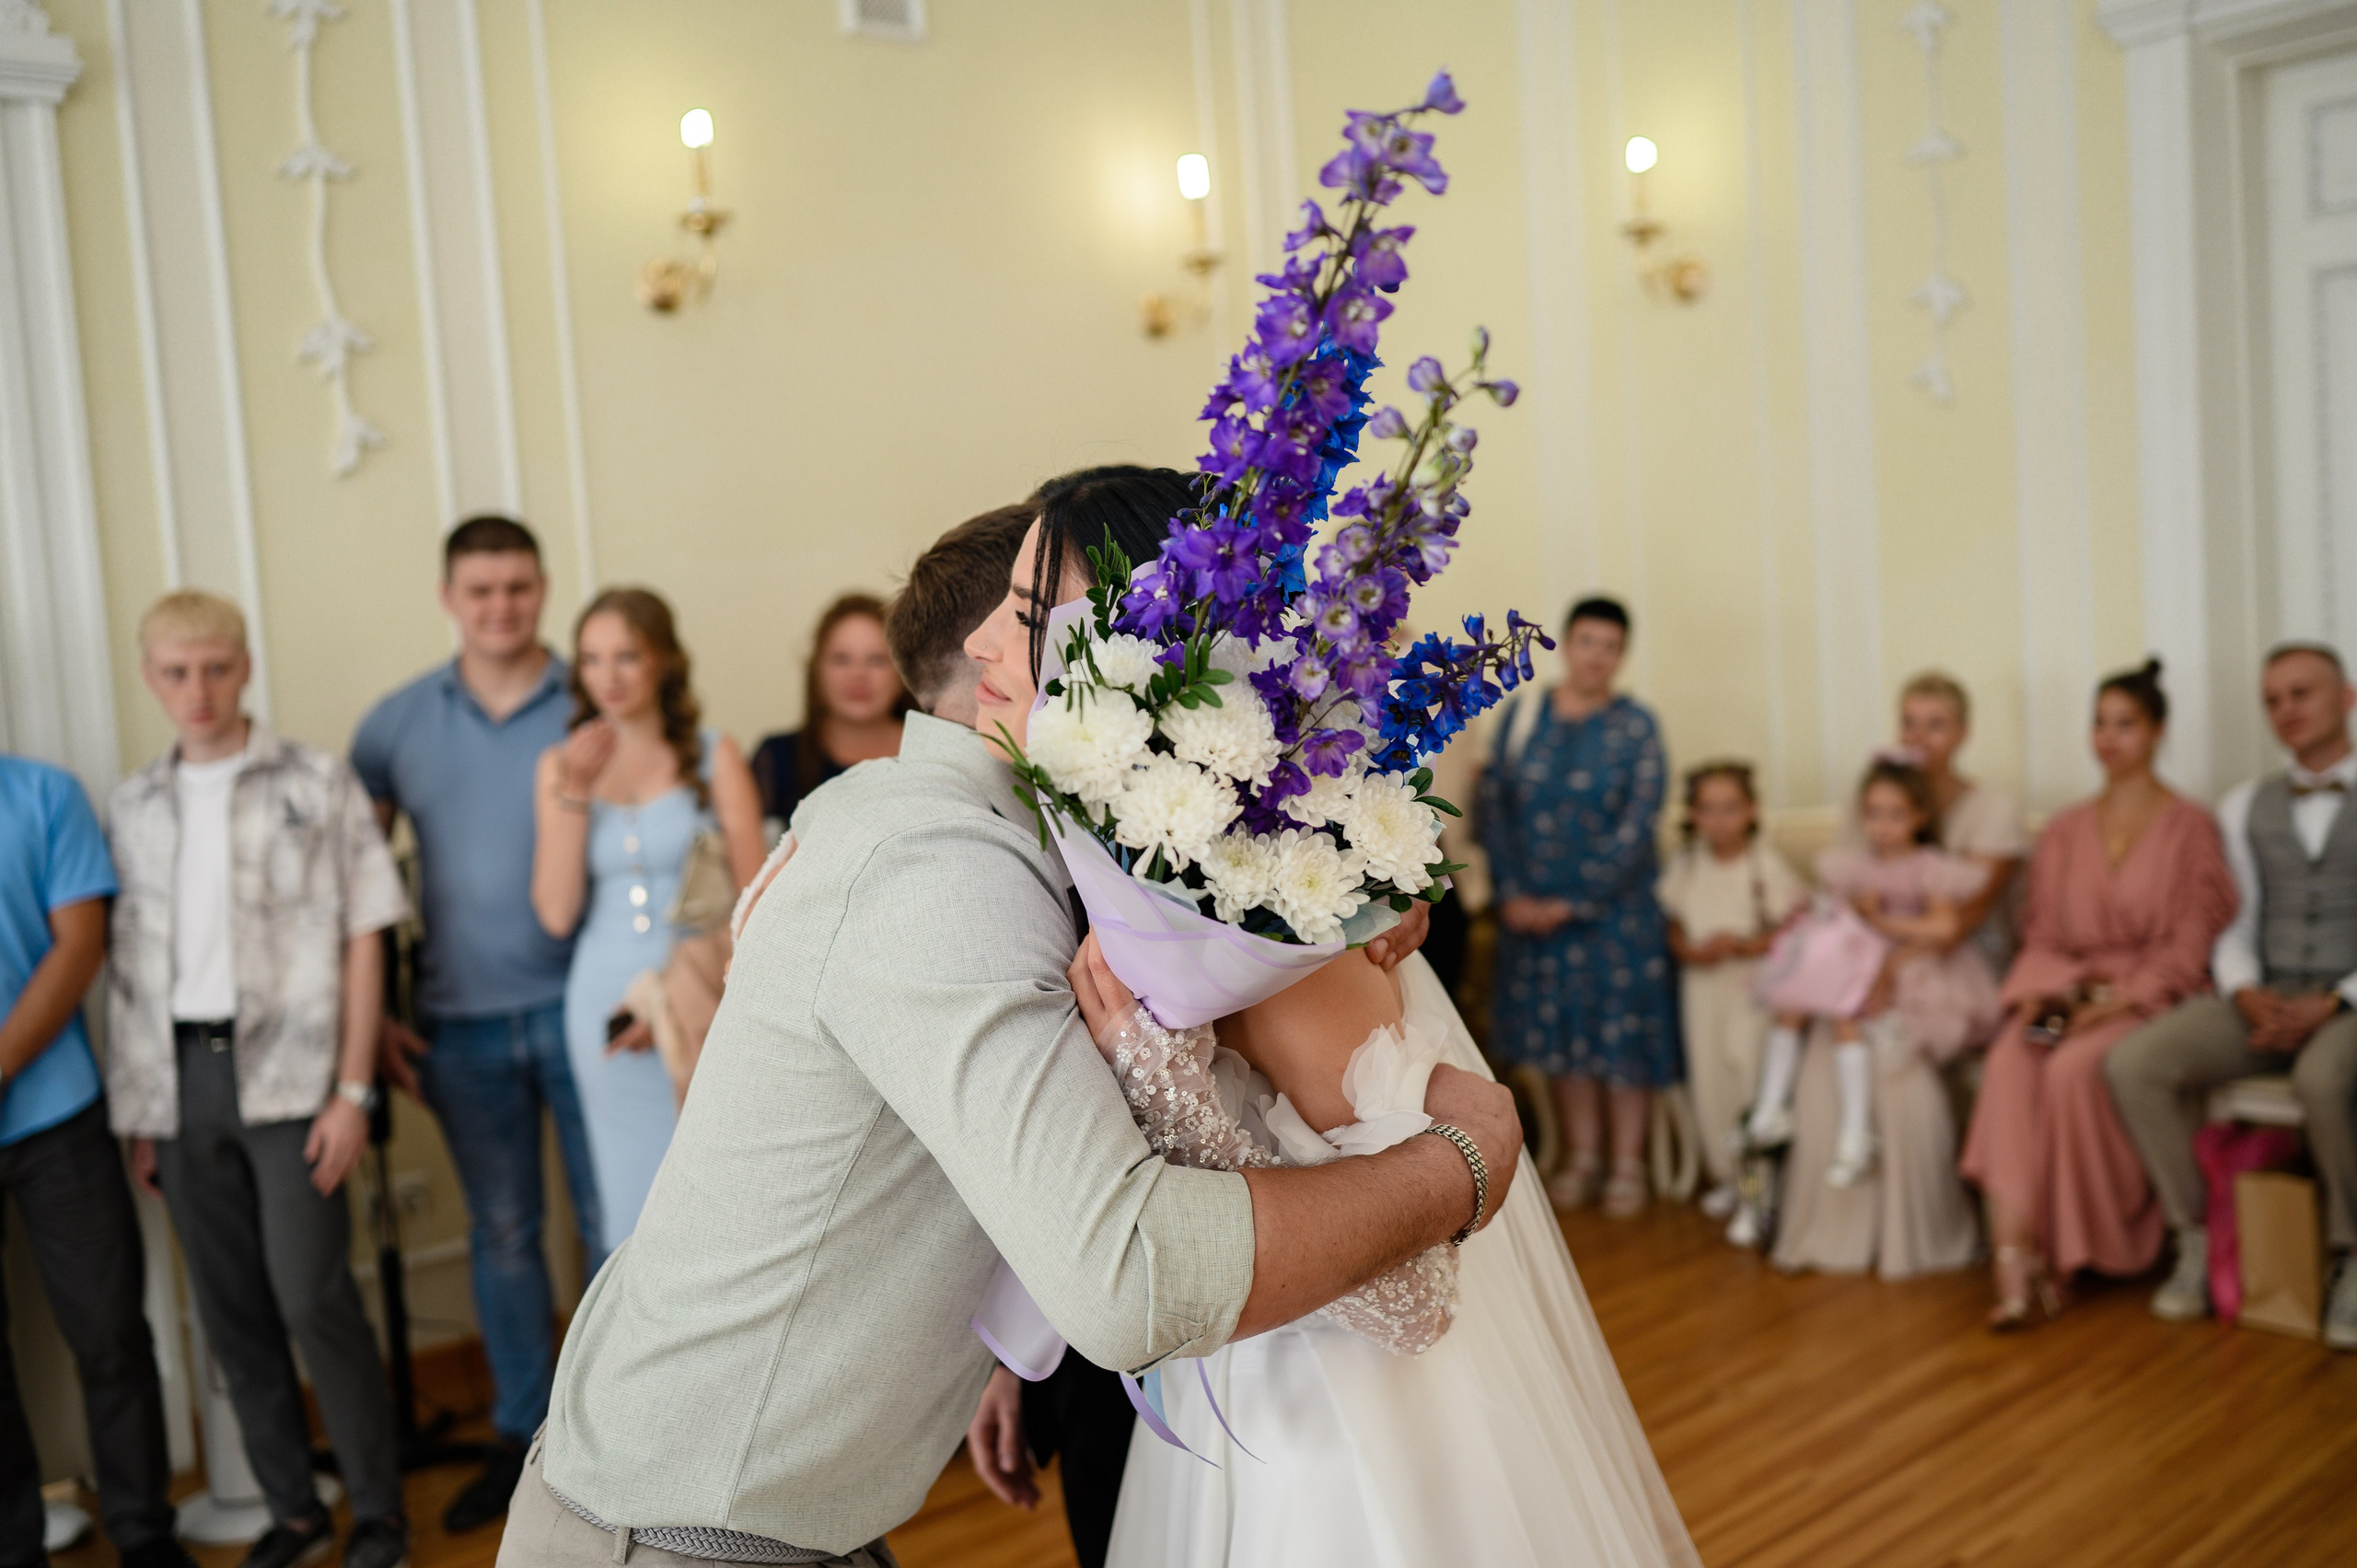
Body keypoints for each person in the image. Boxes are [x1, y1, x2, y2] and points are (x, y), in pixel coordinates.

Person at [496, 466, 1519, 1568]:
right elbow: (1127, 1278)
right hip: (680, 1533)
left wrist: (1332, 884)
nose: (991, 641)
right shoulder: (934, 866)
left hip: (779, 1515)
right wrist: (1464, 1160)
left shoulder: (1028, 851)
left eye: (1036, 613)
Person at [942, 472, 1696, 1566]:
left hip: (1339, 1439)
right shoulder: (1131, 879)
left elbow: (1414, 1301)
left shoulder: (1264, 926)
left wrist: (1170, 1094)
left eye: (1018, 615)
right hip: (1219, 1399)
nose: (978, 642)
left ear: (1138, 653)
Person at [107, 592, 411, 1568]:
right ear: (151, 677)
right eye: (176, 672)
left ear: (244, 666)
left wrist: (354, 1088)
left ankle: (378, 1515)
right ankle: (295, 1510)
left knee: (312, 1293)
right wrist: (145, 1112)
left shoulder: (317, 782)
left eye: (216, 668)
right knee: (231, 1308)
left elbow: (367, 934)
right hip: (178, 1081)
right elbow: (131, 961)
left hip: (294, 1079)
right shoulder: (134, 803)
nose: (198, 691)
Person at [877, 498, 1144, 1568]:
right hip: (1084, 1322)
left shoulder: (1124, 804)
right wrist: (1014, 1360)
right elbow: (1012, 1134)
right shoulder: (962, 859)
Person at [351, 514, 606, 1529]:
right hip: (456, 1023)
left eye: (517, 587)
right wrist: (369, 1020)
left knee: (611, 1223)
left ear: (541, 588)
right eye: (480, 590)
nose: (500, 606)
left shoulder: (593, 699)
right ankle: (518, 1437)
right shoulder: (393, 724)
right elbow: (356, 898)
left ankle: (612, 1431)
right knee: (502, 1233)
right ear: (450, 598)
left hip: (585, 1009)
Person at [1959, 660, 2235, 1328]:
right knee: (2013, 1059)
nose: (2109, 738)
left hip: (2146, 1001)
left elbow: (2190, 941)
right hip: (2065, 996)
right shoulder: (2064, 829)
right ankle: (2015, 1257)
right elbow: (2043, 931)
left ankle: (2073, 1253)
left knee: (2073, 1069)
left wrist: (2119, 1000)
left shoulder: (2190, 827)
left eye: (2126, 724)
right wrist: (2045, 997)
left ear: (2157, 731)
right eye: (2099, 723)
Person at [2107, 642, 2357, 1349]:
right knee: (2136, 1063)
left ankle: (2351, 1256)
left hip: (2348, 998)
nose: (2286, 711)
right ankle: (2198, 1232)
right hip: (2267, 987)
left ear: (2347, 697)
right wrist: (2244, 989)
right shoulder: (2245, 803)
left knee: (2324, 1077)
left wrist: (2338, 1002)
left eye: (2301, 693)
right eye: (2273, 700)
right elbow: (2234, 917)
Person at [531, 588, 765, 1252]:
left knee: (715, 1190)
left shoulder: (716, 754)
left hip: (701, 992)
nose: (608, 676)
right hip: (601, 1002)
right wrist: (575, 794)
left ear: (662, 660)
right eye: (591, 659)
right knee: (629, 1198)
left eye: (627, 656)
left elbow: (756, 899)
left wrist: (680, 993)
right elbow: (555, 912)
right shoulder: (557, 766)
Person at [0, 755, 189, 1568]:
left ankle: (144, 1535)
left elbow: (79, 948)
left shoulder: (43, 796)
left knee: (109, 1332)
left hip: (56, 1113)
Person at [1478, 596, 1679, 1219]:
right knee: (1561, 1042)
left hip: (1614, 916)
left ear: (1622, 654)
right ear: (1567, 643)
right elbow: (1493, 806)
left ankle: (1627, 1162)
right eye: (1587, 640)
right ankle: (1583, 1156)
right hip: (1529, 916)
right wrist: (1514, 894)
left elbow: (1637, 823)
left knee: (1618, 1044)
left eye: (1610, 645)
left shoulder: (1636, 725)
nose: (1597, 654)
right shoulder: (1522, 715)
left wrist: (1572, 899)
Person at [1766, 759, 2000, 1279]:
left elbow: (1941, 929)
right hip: (1857, 975)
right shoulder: (1851, 869)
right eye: (1873, 813)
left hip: (1916, 978)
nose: (1882, 825)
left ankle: (1905, 1225)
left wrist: (1883, 925)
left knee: (1895, 1070)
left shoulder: (1930, 868)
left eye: (1895, 813)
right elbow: (1837, 923)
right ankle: (1832, 1196)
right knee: (1827, 1041)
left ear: (1918, 817)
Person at [1655, 761, 1806, 1238]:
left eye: (1730, 808)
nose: (1719, 819)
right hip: (1701, 989)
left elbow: (1791, 928)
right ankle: (1727, 1174)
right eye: (1708, 809)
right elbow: (1675, 920)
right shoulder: (1687, 863)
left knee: (1748, 1075)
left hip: (1748, 988)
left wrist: (1741, 946)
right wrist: (1687, 949)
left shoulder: (1764, 864)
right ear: (1693, 814)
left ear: (1751, 811)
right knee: (1711, 1080)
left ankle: (1758, 1184)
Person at [1884, 671, 2028, 962]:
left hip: (1967, 953)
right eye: (1909, 723)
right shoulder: (1884, 804)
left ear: (1963, 733)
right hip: (1893, 941)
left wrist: (1895, 964)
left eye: (1935, 725)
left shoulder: (1994, 809)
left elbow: (1971, 913)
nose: (1918, 738)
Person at [749, 594, 911, 831]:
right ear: (816, 669)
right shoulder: (777, 758)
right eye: (841, 659)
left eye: (876, 660)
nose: (858, 674)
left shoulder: (935, 755)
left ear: (903, 672)